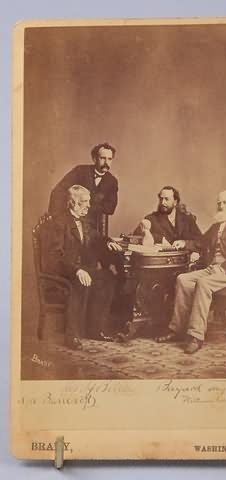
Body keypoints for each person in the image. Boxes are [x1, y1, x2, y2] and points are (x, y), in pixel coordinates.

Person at [156, 190, 226, 354]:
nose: (221, 206)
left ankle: (196, 336)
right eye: (219, 203)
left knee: (203, 283)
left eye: (225, 202)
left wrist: (224, 268)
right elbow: (201, 242)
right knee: (182, 279)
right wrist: (184, 243)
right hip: (212, 268)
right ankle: (177, 329)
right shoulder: (217, 225)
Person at [42, 185, 122, 350]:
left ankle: (95, 328)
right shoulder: (58, 223)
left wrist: (108, 242)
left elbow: (97, 237)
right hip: (61, 272)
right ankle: (72, 336)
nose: (88, 206)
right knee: (79, 282)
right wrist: (76, 270)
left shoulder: (85, 221)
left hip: (80, 269)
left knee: (107, 277)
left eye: (88, 202)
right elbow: (54, 259)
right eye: (83, 202)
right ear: (72, 203)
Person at [48, 143, 118, 229]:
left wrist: (85, 206)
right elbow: (58, 191)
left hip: (94, 225)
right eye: (103, 158)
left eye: (110, 159)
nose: (106, 162)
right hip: (71, 222)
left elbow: (110, 208)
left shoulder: (112, 181)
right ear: (94, 159)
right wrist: (57, 217)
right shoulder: (80, 171)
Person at [133, 186, 201, 246]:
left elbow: (201, 241)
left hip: (185, 259)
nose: (163, 202)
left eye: (166, 199)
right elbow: (135, 237)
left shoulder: (187, 219)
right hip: (162, 259)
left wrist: (185, 243)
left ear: (175, 202)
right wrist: (159, 239)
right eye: (161, 199)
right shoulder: (151, 219)